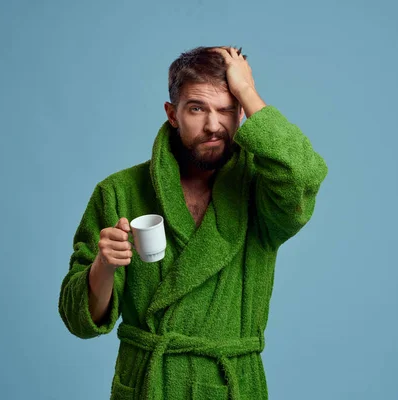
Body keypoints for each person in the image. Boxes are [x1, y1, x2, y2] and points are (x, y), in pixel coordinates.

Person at [58, 45, 328, 399]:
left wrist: (247, 91)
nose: (213, 125)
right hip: (148, 384)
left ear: (242, 115)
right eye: (197, 109)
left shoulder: (262, 193)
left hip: (231, 385)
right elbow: (79, 321)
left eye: (227, 110)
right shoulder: (118, 192)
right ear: (172, 114)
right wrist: (104, 266)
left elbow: (304, 175)